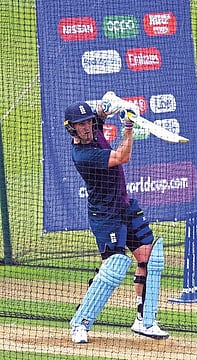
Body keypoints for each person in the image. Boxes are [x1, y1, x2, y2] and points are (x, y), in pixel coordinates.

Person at [64, 93, 170, 343]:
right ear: (72, 130)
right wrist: (129, 126)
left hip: (124, 205)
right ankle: (81, 322)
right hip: (105, 215)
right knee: (112, 268)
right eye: (81, 125)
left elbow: (101, 109)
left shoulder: (93, 127)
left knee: (150, 257)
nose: (87, 127)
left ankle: (146, 320)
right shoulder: (83, 155)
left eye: (88, 122)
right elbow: (123, 156)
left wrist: (113, 105)